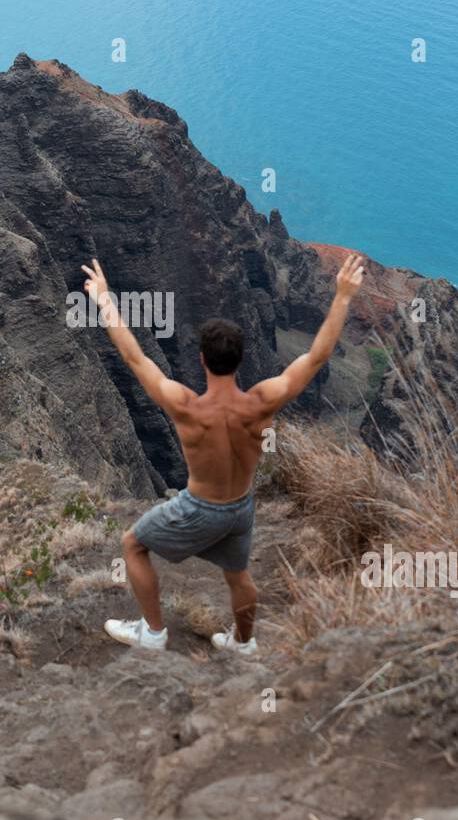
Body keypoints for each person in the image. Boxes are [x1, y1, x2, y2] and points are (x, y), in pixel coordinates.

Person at [80, 253, 365, 655]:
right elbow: (317, 356)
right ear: (242, 359)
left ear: (201, 359)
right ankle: (243, 643)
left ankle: (154, 633)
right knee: (237, 575)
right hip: (240, 507)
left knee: (133, 544)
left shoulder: (185, 406)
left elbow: (134, 357)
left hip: (200, 507)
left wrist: (104, 300)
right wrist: (342, 297)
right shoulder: (263, 402)